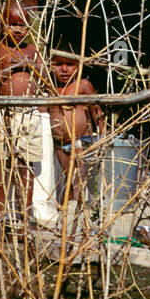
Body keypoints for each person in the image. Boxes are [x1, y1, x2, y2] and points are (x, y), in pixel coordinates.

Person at [0, 0, 46, 225]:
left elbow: (46, 80)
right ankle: (0, 215)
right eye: (12, 24)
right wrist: (5, 70)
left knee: (25, 165)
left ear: (29, 26)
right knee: (2, 166)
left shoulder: (32, 50)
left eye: (22, 25)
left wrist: (32, 66)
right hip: (4, 113)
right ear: (2, 24)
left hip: (28, 114)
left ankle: (24, 215)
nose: (17, 30)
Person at [49, 56, 106, 204]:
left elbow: (97, 112)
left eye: (69, 64)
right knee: (67, 179)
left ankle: (82, 212)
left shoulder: (83, 85)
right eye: (58, 64)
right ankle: (67, 211)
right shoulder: (49, 88)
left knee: (80, 181)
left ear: (79, 66)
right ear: (50, 66)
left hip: (82, 142)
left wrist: (104, 135)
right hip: (60, 144)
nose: (64, 69)